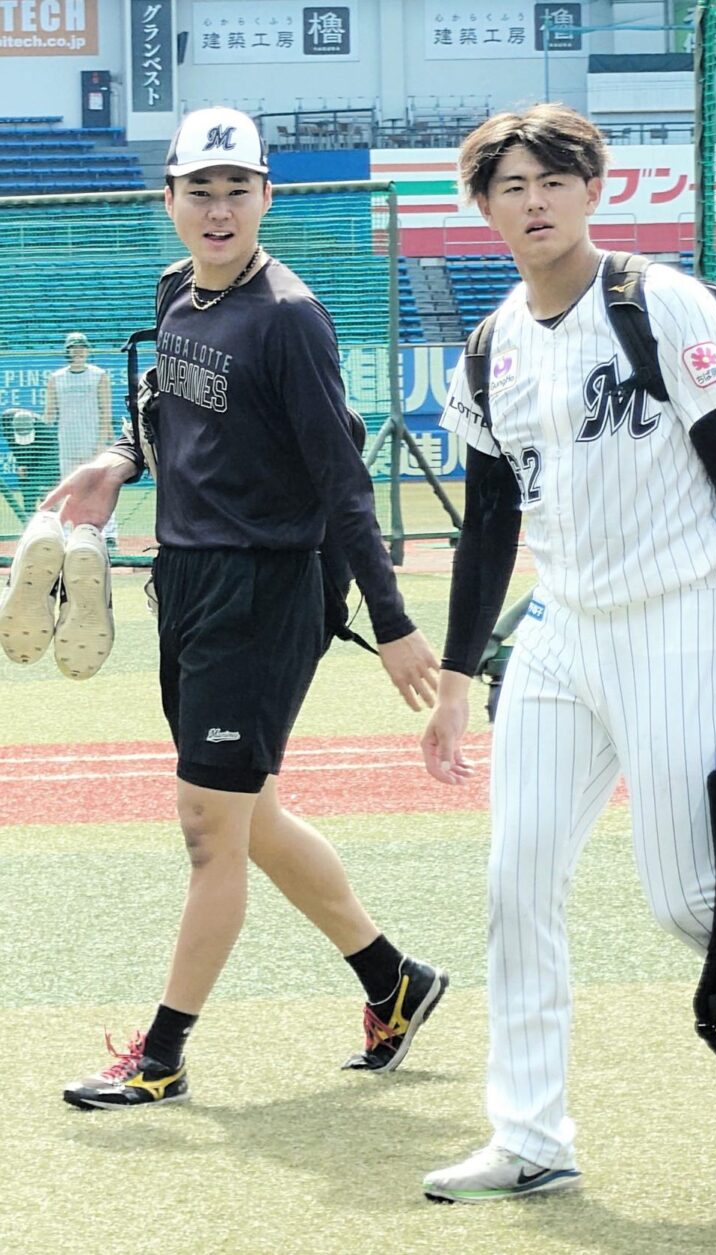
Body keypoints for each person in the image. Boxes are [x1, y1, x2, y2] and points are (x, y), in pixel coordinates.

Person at [419, 103, 716, 1203]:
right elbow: (486, 528)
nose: (534, 201)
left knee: (690, 896)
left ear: (593, 189)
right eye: (510, 186)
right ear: (482, 207)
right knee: (514, 879)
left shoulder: (658, 303)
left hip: (685, 615)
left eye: (553, 180)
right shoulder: (489, 347)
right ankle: (531, 1135)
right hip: (563, 633)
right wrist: (458, 678)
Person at [37, 106, 447, 1109]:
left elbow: (344, 480)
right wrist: (116, 461)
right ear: (169, 198)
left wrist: (391, 621)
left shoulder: (289, 317)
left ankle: (163, 1053)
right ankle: (395, 982)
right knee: (249, 812)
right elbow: (165, 406)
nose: (218, 209)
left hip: (270, 587)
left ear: (267, 194)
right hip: (187, 576)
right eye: (199, 189)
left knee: (209, 826)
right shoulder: (179, 292)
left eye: (237, 189)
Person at [43, 330, 117, 549]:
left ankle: (110, 533)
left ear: (87, 350)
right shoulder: (56, 378)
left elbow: (105, 411)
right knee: (68, 486)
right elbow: (49, 415)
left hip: (93, 440)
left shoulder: (99, 375)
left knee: (101, 486)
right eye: (73, 347)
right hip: (67, 442)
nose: (77, 351)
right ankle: (67, 532)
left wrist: (102, 441)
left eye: (81, 346)